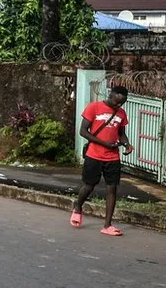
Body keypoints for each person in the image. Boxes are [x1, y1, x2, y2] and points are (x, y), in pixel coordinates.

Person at [70, 86, 134, 236]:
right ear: (111, 96)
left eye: (122, 103)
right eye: (117, 102)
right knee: (89, 185)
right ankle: (78, 206)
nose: (118, 106)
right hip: (94, 155)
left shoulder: (121, 113)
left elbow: (121, 133)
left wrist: (127, 144)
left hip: (113, 157)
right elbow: (83, 131)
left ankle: (107, 225)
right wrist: (104, 143)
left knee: (112, 189)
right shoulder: (94, 107)